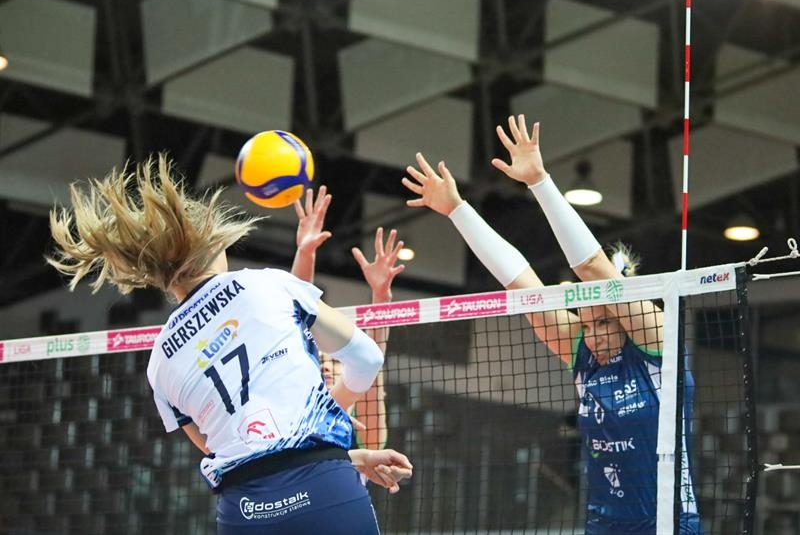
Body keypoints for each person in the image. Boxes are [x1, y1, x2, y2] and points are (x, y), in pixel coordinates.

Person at [46, 154, 412, 534]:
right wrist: (329, 418)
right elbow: (367, 359)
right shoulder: (267, 284)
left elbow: (224, 450)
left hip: (245, 512)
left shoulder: (160, 362)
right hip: (325, 491)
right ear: (214, 244)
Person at [402, 115, 702, 534]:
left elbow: (594, 268)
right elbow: (521, 284)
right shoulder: (581, 354)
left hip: (668, 523)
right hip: (605, 523)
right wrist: (457, 210)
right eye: (586, 323)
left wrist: (539, 181)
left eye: (603, 324)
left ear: (626, 321)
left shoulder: (657, 344)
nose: (592, 334)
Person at [291, 186, 404, 450]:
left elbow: (371, 366)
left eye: (337, 361)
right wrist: (305, 252)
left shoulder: (363, 424)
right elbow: (297, 314)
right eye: (321, 360)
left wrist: (381, 298)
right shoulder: (291, 406)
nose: (327, 367)